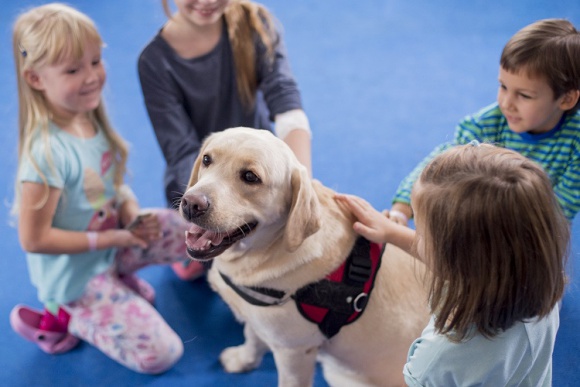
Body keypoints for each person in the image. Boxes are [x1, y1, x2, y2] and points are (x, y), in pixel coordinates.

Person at [9, 3, 190, 374]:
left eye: (95, 61)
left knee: (187, 230)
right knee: (162, 355)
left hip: (112, 248)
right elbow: (34, 239)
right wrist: (116, 240)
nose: (92, 76)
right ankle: (64, 318)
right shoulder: (45, 155)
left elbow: (113, 185)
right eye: (74, 69)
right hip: (77, 280)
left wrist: (132, 214)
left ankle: (118, 282)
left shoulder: (87, 116)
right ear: (36, 78)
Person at [336, 143, 569, 386]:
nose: (416, 236)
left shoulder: (439, 358)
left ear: (460, 260)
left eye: (422, 234)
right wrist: (392, 232)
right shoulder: (538, 283)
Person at [138, 0, 313, 280]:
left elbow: (285, 100)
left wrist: (305, 182)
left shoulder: (255, 24)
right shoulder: (154, 62)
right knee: (216, 244)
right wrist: (204, 202)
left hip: (257, 173)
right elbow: (182, 149)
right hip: (195, 177)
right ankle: (205, 241)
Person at [388, 18, 580, 226]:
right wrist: (401, 209)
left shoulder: (576, 143)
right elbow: (437, 168)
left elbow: (559, 211)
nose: (507, 103)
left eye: (524, 95)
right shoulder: (484, 125)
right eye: (503, 86)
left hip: (535, 230)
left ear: (567, 99)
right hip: (481, 224)